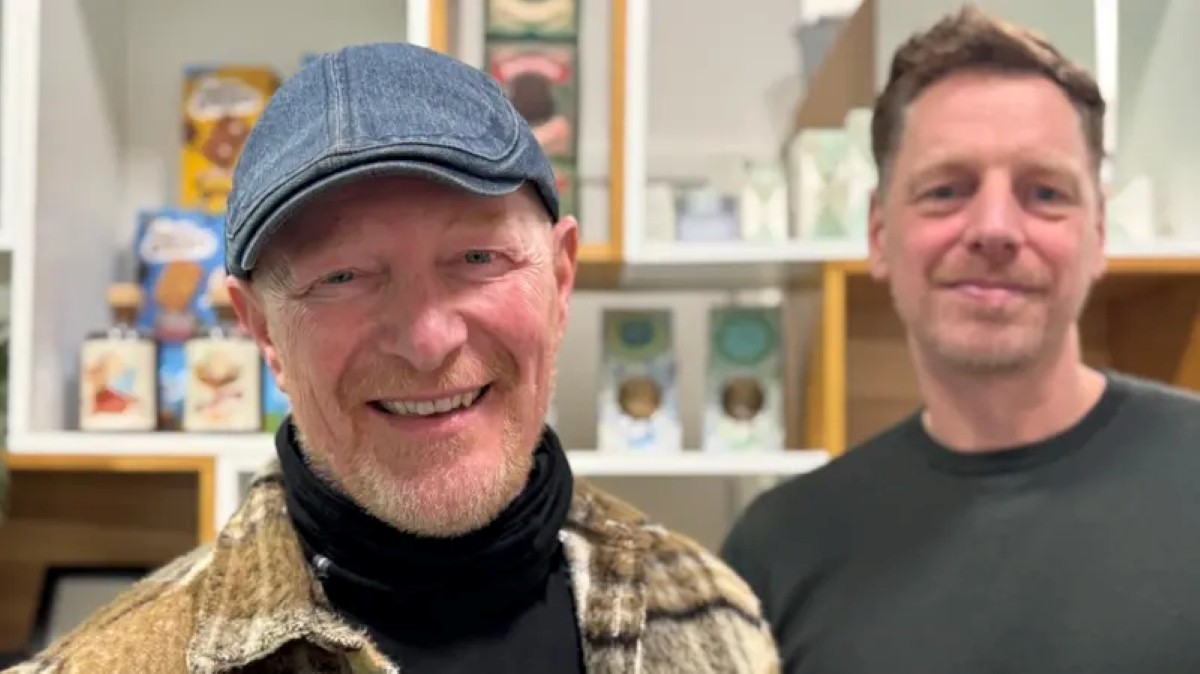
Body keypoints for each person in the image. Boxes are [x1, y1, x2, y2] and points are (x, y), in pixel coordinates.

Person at [6, 43, 779, 674]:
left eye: (477, 257)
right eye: (342, 277)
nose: (427, 341)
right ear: (263, 332)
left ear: (561, 277)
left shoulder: (713, 615)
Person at [721, 6, 1200, 674]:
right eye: (947, 190)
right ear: (879, 233)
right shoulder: (778, 549)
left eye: (1045, 192)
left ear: (1098, 234)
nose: (995, 229)